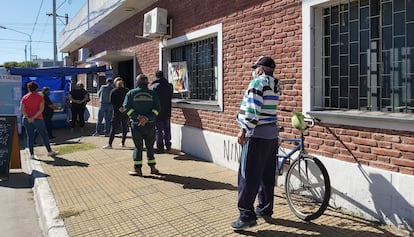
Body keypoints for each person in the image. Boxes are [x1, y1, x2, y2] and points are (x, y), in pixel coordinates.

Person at [231, 56, 281, 231]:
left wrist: (243, 129)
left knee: (248, 175)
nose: (254, 71)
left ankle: (246, 216)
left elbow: (253, 111)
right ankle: (265, 209)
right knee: (266, 175)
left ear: (260, 70)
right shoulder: (275, 85)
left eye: (255, 68)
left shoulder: (257, 83)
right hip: (271, 136)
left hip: (256, 135)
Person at [123, 74, 160, 176]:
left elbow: (126, 108)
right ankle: (153, 168)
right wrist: (147, 118)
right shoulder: (152, 94)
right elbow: (157, 109)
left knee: (138, 147)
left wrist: (138, 117)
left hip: (136, 125)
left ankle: (138, 169)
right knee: (150, 147)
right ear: (147, 83)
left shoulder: (131, 93)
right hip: (150, 125)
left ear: (137, 82)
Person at [20, 81, 57, 159]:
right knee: (44, 135)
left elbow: (22, 109)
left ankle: (32, 154)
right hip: (38, 119)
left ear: (28, 88)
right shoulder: (40, 97)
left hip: (26, 119)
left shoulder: (24, 97)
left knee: (30, 137)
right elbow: (41, 109)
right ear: (36, 88)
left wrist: (28, 117)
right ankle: (49, 151)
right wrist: (33, 117)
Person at [149, 70, 173, 153]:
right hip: (167, 110)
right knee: (167, 128)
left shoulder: (153, 87)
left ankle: (160, 146)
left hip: (157, 111)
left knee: (158, 129)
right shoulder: (169, 85)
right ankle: (168, 144)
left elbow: (151, 100)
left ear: (156, 76)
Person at [102, 78, 130, 149]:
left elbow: (112, 101)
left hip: (117, 112)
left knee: (113, 128)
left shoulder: (113, 91)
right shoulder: (127, 91)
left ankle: (110, 144)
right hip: (125, 112)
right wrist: (124, 108)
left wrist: (118, 108)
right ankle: (123, 143)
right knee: (124, 127)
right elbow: (129, 101)